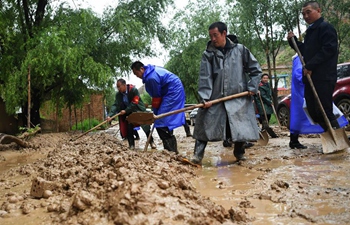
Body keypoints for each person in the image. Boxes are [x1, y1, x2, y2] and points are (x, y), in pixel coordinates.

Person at [190, 21, 262, 164]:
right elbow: (205, 77)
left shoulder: (240, 50)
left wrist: (252, 88)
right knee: (204, 124)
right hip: (214, 98)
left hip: (238, 98)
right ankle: (197, 156)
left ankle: (239, 153)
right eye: (211, 36)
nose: (213, 39)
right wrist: (205, 98)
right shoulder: (208, 54)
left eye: (215, 35)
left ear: (224, 33)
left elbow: (255, 70)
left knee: (240, 126)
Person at [287, 1, 339, 131]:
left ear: (318, 11)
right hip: (311, 78)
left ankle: (337, 138)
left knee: (324, 109)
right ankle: (329, 133)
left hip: (323, 76)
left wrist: (310, 66)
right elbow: (306, 51)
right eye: (303, 14)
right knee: (313, 110)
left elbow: (328, 49)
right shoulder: (311, 31)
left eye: (308, 12)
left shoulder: (325, 28)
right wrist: (292, 42)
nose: (305, 16)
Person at [131, 61, 186, 153]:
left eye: (136, 73)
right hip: (169, 91)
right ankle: (171, 150)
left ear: (141, 69)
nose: (137, 76)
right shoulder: (151, 72)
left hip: (173, 91)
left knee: (161, 122)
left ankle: (171, 151)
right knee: (163, 120)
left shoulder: (151, 78)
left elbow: (156, 97)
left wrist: (156, 111)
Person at [107, 79, 156, 150]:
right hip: (128, 113)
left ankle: (151, 142)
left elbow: (135, 102)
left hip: (138, 110)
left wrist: (126, 110)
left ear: (124, 85)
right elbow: (115, 105)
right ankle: (131, 146)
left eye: (119, 87)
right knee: (129, 128)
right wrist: (110, 115)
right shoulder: (118, 95)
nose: (118, 89)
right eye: (117, 87)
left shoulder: (133, 90)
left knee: (145, 127)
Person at [254, 74, 278, 138]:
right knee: (265, 119)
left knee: (268, 117)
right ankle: (271, 134)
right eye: (264, 78)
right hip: (262, 104)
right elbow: (263, 96)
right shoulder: (260, 86)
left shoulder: (267, 85)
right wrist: (269, 102)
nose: (266, 79)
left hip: (267, 104)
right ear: (261, 79)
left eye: (267, 78)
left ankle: (263, 132)